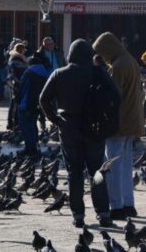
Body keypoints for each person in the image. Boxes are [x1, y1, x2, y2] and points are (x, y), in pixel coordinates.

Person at [40, 39, 114, 228]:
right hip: (94, 127)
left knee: (74, 172)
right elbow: (115, 96)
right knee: (96, 171)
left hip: (68, 126)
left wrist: (55, 119)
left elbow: (43, 99)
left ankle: (78, 215)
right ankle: (103, 213)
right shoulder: (97, 73)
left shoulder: (60, 74)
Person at [93, 32, 144, 219]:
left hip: (119, 122)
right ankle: (128, 204)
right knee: (126, 165)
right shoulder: (129, 60)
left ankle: (117, 206)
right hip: (132, 120)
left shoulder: (117, 66)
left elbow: (111, 97)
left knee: (112, 165)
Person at [17, 54, 51, 156]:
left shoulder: (28, 73)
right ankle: (33, 148)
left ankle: (30, 149)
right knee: (32, 126)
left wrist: (18, 99)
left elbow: (22, 89)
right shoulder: (45, 74)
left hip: (26, 103)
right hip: (37, 104)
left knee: (26, 127)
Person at [6, 41, 29, 131]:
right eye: (23, 50)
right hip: (16, 84)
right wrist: (17, 82)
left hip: (20, 83)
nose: (25, 51)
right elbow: (12, 73)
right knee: (15, 104)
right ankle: (13, 123)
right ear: (20, 50)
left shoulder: (21, 58)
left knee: (15, 103)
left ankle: (14, 123)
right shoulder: (15, 59)